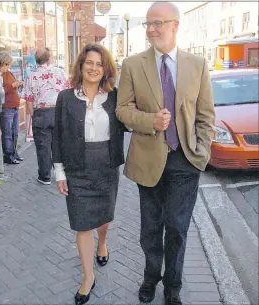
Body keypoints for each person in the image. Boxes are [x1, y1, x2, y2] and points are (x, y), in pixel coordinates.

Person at [116, 2, 215, 305]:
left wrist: (202, 151)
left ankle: (173, 286)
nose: (151, 29)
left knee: (177, 228)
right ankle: (150, 277)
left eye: (158, 23)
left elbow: (206, 114)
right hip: (148, 160)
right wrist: (150, 121)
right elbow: (122, 109)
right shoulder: (133, 64)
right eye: (148, 24)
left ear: (175, 25)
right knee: (150, 229)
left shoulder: (197, 65)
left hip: (185, 160)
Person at [52, 43, 127, 305]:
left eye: (99, 64)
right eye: (89, 63)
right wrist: (59, 172)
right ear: (81, 66)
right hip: (76, 170)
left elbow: (131, 121)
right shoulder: (66, 98)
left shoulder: (115, 97)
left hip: (106, 167)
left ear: (105, 69)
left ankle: (103, 242)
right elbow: (58, 137)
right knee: (82, 224)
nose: (94, 68)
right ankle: (88, 277)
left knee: (104, 219)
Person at [22, 47, 69, 185]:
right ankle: (61, 174)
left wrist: (33, 114)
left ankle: (45, 176)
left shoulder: (31, 75)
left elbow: (29, 98)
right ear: (49, 58)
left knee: (43, 146)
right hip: (59, 112)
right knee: (60, 145)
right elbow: (68, 94)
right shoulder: (60, 73)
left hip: (41, 113)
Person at [0, 52, 23, 164]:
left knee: (15, 132)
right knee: (7, 133)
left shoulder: (8, 73)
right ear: (2, 63)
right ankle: (8, 156)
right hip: (6, 108)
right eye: (7, 64)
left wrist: (18, 83)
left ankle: (14, 153)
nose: (8, 67)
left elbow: (11, 86)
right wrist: (12, 86)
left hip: (14, 106)